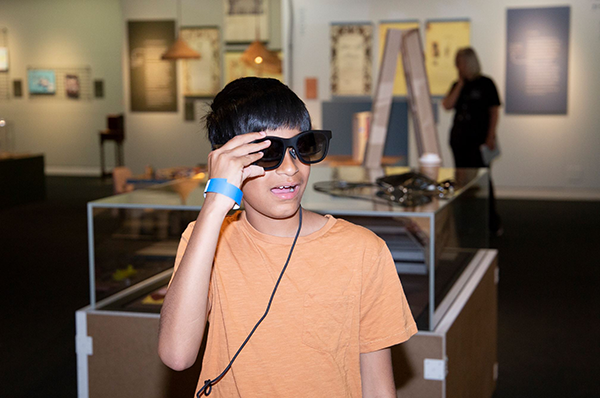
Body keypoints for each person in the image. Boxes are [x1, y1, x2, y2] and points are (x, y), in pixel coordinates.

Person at [158, 77, 417, 397]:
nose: (291, 169)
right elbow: (177, 354)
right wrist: (215, 202)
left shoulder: (362, 251)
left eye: (302, 147)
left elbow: (378, 385)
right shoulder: (205, 241)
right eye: (269, 153)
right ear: (228, 162)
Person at [442, 47, 502, 236]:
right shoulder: (458, 84)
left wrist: (490, 136)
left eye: (459, 62)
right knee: (462, 181)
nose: (456, 66)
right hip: (459, 141)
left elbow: (494, 111)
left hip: (479, 142)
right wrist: (459, 84)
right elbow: (447, 105)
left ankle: (491, 222)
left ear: (468, 62)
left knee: (483, 180)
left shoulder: (486, 83)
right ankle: (465, 222)